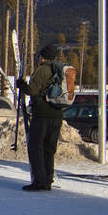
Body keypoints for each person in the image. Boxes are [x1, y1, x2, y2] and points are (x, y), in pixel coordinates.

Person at [17, 44, 64, 191]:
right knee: (49, 149)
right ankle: (47, 180)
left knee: (36, 148)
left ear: (43, 57)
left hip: (42, 114)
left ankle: (39, 181)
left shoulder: (42, 70)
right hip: (57, 114)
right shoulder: (60, 71)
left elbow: (32, 90)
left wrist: (22, 85)